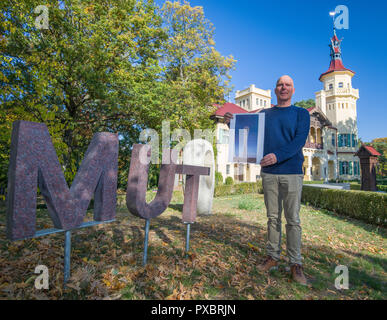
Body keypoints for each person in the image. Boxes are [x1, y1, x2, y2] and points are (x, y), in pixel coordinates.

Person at [225, 75, 310, 285]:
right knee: (273, 218)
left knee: (293, 220)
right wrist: (233, 125)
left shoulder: (301, 114)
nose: (284, 87)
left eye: (288, 85)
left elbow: (299, 141)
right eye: (280, 84)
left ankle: (295, 264)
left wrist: (277, 156)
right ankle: (272, 257)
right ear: (275, 89)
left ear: (293, 90)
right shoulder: (264, 114)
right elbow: (248, 134)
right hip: (269, 173)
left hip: (291, 172)